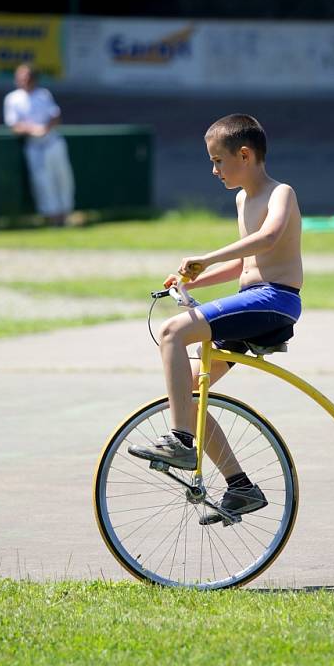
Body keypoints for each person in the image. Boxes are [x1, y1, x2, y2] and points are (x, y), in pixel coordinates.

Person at [128, 113, 303, 524]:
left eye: (218, 161)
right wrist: (198, 277)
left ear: (245, 154)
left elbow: (269, 239)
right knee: (188, 394)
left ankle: (180, 442)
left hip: (275, 301)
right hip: (253, 298)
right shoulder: (243, 199)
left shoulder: (281, 194)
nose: (214, 170)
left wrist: (207, 257)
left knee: (172, 332)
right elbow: (247, 262)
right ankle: (240, 486)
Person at [3, 63, 75, 226]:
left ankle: (65, 215)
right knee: (42, 181)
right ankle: (51, 218)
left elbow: (55, 116)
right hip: (34, 146)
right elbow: (14, 125)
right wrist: (33, 130)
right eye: (21, 77)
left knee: (62, 178)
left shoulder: (44, 94)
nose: (24, 80)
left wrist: (45, 129)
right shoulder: (12, 99)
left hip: (53, 142)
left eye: (28, 76)